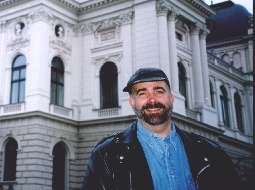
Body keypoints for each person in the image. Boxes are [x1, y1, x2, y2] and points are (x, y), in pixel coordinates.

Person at [81, 67, 239, 189]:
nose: (152, 100)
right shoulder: (106, 154)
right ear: (132, 103)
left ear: (171, 99)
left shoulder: (211, 153)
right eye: (142, 93)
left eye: (159, 91)